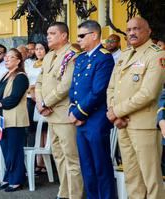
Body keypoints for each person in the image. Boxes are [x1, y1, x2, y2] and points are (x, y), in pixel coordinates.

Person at [107, 17, 165, 199]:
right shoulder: (124, 55)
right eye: (129, 29)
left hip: (143, 126)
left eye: (137, 29)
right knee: (132, 177)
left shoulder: (156, 54)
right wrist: (114, 112)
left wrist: (117, 111)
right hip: (122, 124)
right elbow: (111, 88)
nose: (131, 32)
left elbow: (148, 93)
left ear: (148, 31)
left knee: (151, 178)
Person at [35, 22, 83, 199]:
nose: (48, 36)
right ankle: (64, 192)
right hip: (50, 115)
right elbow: (39, 82)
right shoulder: (49, 56)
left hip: (64, 114)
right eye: (47, 33)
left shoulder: (72, 54)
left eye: (52, 33)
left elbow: (66, 85)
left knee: (71, 158)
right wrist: (41, 103)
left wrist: (46, 103)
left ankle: (75, 195)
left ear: (64, 36)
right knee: (58, 156)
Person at [69, 20, 116, 199]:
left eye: (82, 36)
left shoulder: (104, 57)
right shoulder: (81, 58)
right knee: (86, 166)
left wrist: (79, 113)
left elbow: (98, 91)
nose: (78, 39)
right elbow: (74, 88)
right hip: (80, 120)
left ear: (94, 35)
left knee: (100, 165)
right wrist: (72, 110)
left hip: (96, 120)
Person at [0, 48, 29, 192]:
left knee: (14, 151)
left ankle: (17, 180)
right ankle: (8, 177)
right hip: (2, 119)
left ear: (18, 61)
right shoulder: (6, 75)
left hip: (15, 119)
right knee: (6, 150)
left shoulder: (21, 77)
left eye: (10, 57)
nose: (6, 59)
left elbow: (14, 98)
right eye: (6, 57)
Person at [33, 41, 49, 174]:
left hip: (43, 98)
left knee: (45, 129)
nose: (38, 51)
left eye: (41, 49)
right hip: (30, 98)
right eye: (37, 49)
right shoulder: (30, 64)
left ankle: (46, 161)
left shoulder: (48, 62)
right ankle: (38, 161)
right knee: (36, 130)